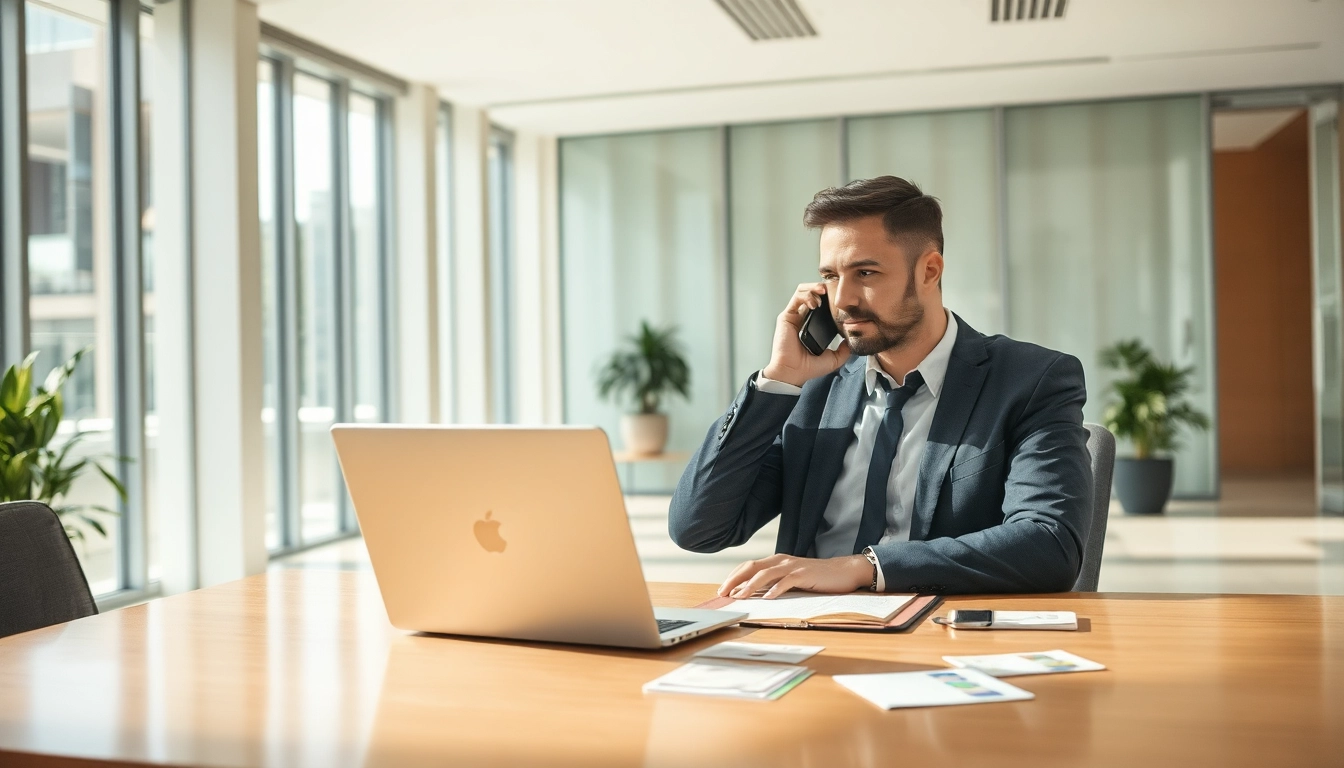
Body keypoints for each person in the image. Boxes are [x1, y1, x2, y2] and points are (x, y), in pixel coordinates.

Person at [668, 176, 1093, 598]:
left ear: (929, 271)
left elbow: (1048, 543)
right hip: (803, 629)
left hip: (939, 632)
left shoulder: (1031, 380)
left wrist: (864, 568)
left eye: (865, 272)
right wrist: (778, 379)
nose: (843, 300)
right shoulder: (813, 389)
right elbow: (698, 528)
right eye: (831, 276)